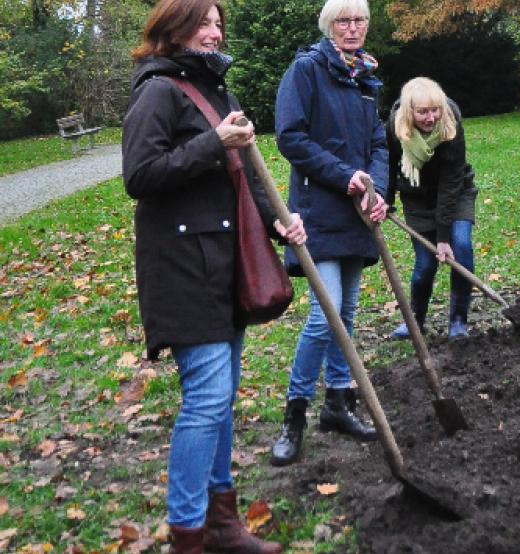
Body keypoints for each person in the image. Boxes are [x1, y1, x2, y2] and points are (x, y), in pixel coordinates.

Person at [122, 0, 306, 551]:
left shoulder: (216, 90)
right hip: (182, 269)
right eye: (203, 22)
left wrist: (279, 222)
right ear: (173, 31)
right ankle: (189, 534)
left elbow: (244, 174)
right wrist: (212, 142)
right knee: (206, 398)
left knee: (221, 396)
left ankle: (222, 523)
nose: (214, 31)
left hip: (226, 265)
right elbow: (140, 174)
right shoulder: (157, 91)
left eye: (219, 23)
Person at [270, 0, 388, 467]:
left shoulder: (365, 78)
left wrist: (375, 188)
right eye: (344, 20)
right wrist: (346, 177)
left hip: (357, 213)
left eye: (359, 20)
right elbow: (291, 137)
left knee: (349, 313)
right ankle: (294, 415)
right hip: (317, 212)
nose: (353, 27)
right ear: (328, 26)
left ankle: (338, 404)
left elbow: (378, 142)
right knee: (327, 317)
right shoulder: (306, 71)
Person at [385, 77, 478, 340]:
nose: (430, 117)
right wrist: (386, 199)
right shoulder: (395, 127)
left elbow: (450, 183)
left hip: (456, 193)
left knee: (461, 247)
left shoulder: (450, 125)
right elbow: (390, 165)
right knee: (425, 264)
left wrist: (444, 237)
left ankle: (459, 320)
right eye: (423, 112)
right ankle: (415, 320)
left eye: (434, 110)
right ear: (409, 112)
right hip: (417, 199)